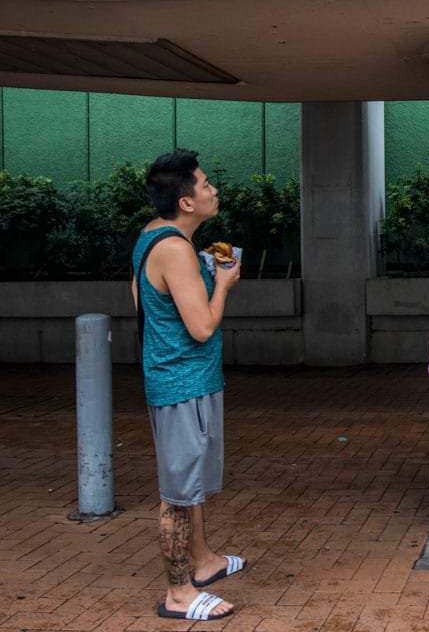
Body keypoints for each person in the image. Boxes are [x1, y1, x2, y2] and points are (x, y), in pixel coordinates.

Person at [131, 149, 244, 621]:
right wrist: (223, 282)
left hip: (182, 377)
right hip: (181, 383)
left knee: (191, 484)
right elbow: (201, 327)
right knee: (178, 495)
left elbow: (140, 298)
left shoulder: (152, 235)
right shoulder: (175, 249)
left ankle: (203, 563)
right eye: (204, 184)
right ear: (186, 202)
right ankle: (179, 594)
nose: (212, 189)